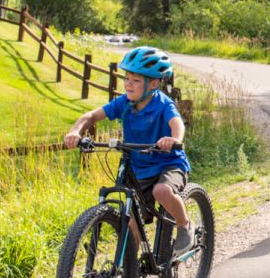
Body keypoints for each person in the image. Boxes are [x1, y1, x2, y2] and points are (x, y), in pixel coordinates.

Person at [63, 45, 195, 252]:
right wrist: (75, 131)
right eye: (126, 78)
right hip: (139, 169)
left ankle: (185, 225)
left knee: (161, 190)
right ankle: (128, 271)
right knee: (131, 218)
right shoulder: (125, 103)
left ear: (153, 83)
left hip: (169, 164)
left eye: (135, 80)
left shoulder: (163, 104)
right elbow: (91, 116)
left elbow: (177, 123)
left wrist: (173, 139)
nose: (128, 84)